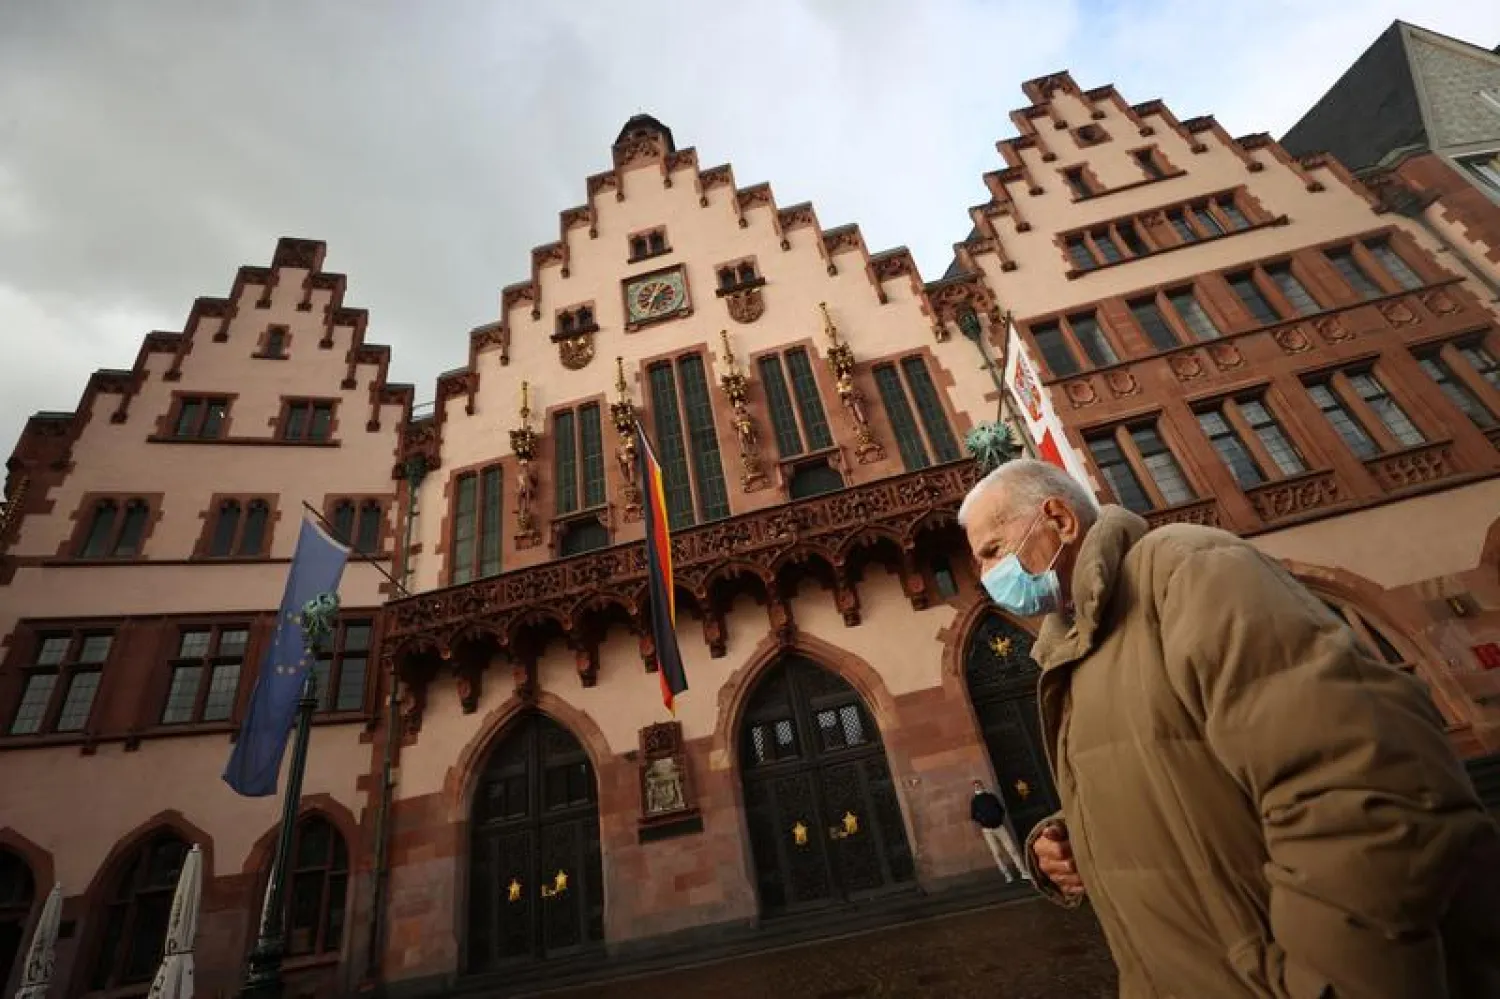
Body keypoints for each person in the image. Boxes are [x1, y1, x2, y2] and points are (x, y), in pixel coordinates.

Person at [957, 458, 1500, 998]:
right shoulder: (1074, 644)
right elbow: (1170, 764)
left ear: (1060, 519)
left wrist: (1323, 984)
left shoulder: (1188, 570)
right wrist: (1070, 832)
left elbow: (1361, 779)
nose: (987, 579)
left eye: (992, 551)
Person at [969, 779, 1028, 882]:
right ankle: (1007, 875)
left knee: (1012, 849)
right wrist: (983, 820)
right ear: (974, 788)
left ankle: (1023, 871)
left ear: (982, 785)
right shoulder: (974, 801)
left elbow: (1000, 809)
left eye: (979, 785)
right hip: (987, 830)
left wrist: (998, 818)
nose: (978, 787)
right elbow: (974, 815)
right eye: (976, 786)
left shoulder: (991, 797)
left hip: (999, 827)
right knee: (997, 853)